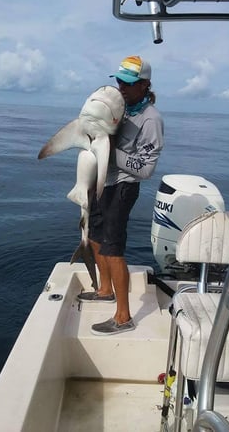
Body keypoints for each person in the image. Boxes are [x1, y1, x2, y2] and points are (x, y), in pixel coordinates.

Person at [77, 55, 164, 336]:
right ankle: (104, 290)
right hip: (102, 180)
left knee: (113, 247)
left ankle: (124, 317)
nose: (121, 88)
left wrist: (109, 151)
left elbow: (146, 169)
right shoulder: (120, 107)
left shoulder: (150, 120)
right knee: (93, 236)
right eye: (119, 81)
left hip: (124, 187)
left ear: (145, 85)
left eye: (128, 83)